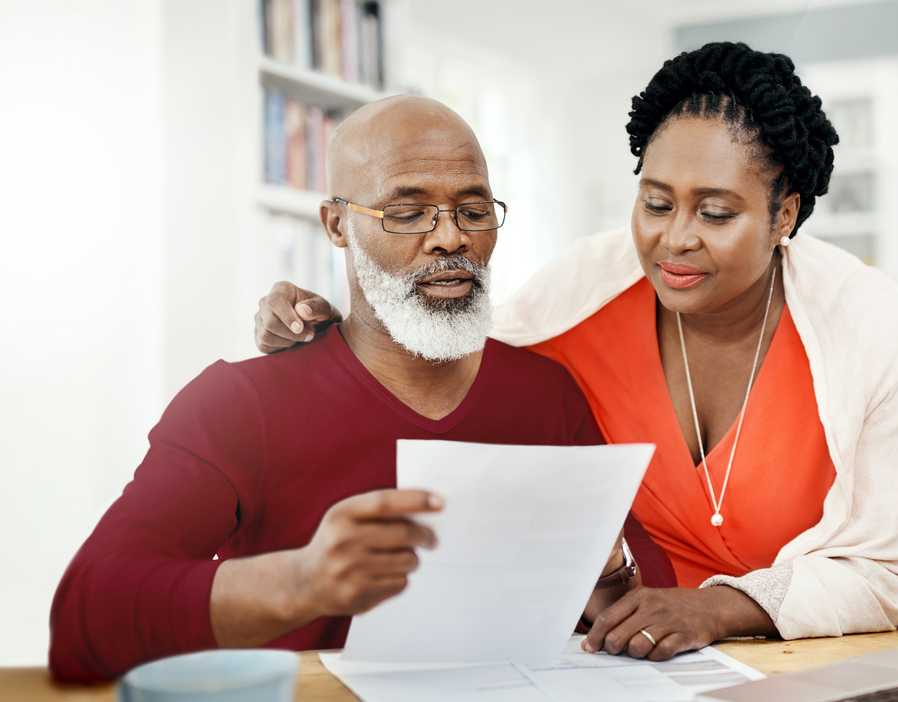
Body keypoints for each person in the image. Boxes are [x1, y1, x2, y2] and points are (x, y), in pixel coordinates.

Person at [256, 42, 898, 662]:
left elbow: (894, 575)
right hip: (619, 660)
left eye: (716, 212)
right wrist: (326, 331)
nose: (676, 238)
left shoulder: (867, 325)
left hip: (811, 663)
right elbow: (440, 361)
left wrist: (718, 608)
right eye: (656, 203)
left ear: (784, 214)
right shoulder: (584, 291)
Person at [49, 96, 660, 683]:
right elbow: (87, 615)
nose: (451, 238)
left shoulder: (545, 393)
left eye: (473, 211)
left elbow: (638, 604)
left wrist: (607, 565)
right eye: (407, 213)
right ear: (337, 225)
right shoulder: (239, 403)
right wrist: (304, 581)